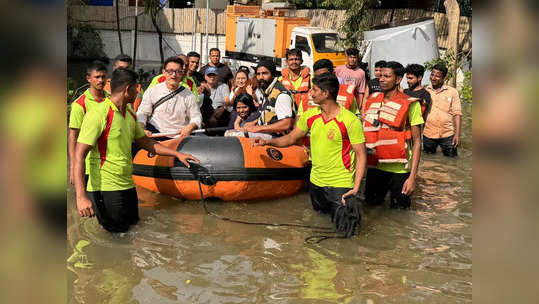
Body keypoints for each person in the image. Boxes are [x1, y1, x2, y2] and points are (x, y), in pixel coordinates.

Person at [73, 67, 199, 233]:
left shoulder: (130, 113)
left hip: (127, 184)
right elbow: (79, 154)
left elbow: (146, 142)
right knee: (116, 237)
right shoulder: (99, 114)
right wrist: (81, 197)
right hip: (105, 187)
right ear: (127, 90)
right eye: (136, 89)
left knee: (132, 229)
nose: (138, 93)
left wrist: (177, 154)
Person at [253, 73, 366, 229]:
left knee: (346, 232)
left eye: (314, 90)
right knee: (319, 224)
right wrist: (267, 142)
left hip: (341, 185)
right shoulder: (310, 116)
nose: (310, 93)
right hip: (316, 183)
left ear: (326, 93)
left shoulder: (350, 120)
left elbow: (361, 155)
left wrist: (356, 186)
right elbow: (291, 138)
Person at [362, 61, 423, 209]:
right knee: (370, 210)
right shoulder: (372, 99)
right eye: (381, 75)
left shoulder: (411, 104)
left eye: (387, 76)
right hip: (375, 168)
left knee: (400, 214)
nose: (381, 79)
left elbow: (417, 142)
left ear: (398, 79)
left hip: (399, 170)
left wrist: (412, 177)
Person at [136, 56, 202, 138]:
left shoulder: (189, 95)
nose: (173, 75)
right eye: (170, 71)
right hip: (155, 134)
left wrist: (190, 126)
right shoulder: (152, 91)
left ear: (182, 73)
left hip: (180, 137)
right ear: (164, 72)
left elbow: (196, 116)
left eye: (178, 72)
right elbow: (142, 113)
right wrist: (142, 128)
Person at [69, 61, 108, 185]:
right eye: (97, 77)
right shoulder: (79, 104)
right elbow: (73, 137)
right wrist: (73, 167)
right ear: (88, 79)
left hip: (108, 166)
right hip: (87, 166)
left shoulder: (111, 100)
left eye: (103, 77)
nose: (101, 80)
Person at [243, 61, 296, 137]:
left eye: (264, 73)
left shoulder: (281, 95)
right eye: (258, 74)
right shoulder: (268, 90)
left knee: (233, 135)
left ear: (273, 75)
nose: (261, 77)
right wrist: (254, 123)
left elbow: (286, 124)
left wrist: (257, 128)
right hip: (267, 133)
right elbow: (269, 115)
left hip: (278, 138)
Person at [423, 63, 462, 157]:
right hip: (429, 133)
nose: (433, 78)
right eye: (432, 74)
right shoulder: (425, 91)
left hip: (448, 134)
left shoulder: (452, 92)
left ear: (444, 77)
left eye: (437, 76)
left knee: (452, 161)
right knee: (428, 160)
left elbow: (457, 114)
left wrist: (457, 135)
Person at [278, 48, 311, 114]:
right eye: (291, 59)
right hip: (286, 115)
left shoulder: (310, 79)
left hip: (304, 115)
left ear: (301, 61)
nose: (294, 62)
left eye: (297, 59)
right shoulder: (280, 79)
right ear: (287, 62)